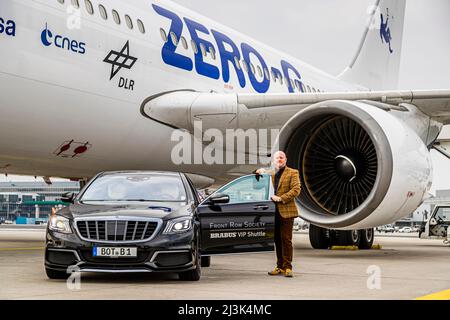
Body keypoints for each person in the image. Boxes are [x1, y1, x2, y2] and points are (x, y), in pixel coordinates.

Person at [255, 151, 301, 277]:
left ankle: (287, 267)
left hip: (286, 211)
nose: (279, 160)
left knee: (286, 239)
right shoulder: (270, 174)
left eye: (281, 157)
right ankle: (279, 266)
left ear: (285, 160)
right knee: (276, 240)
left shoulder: (293, 172)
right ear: (273, 161)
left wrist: (281, 198)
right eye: (277, 158)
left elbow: (296, 190)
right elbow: (257, 186)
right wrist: (257, 173)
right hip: (272, 211)